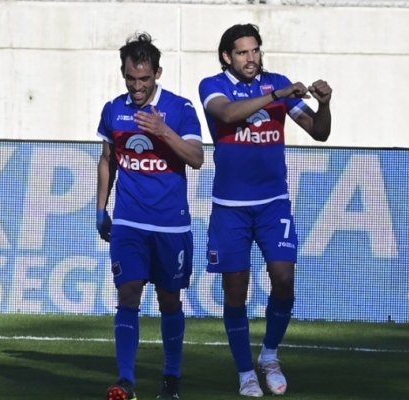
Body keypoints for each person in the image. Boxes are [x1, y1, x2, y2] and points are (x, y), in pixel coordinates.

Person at [198, 23, 331, 397]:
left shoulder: (277, 83)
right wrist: (276, 94)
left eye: (255, 50)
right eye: (242, 52)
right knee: (236, 288)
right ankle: (245, 372)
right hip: (230, 207)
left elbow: (318, 132)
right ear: (227, 56)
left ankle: (269, 355)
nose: (251, 58)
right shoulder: (213, 85)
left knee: (284, 279)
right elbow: (226, 114)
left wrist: (324, 104)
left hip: (274, 203)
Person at [96, 32, 204, 400]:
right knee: (128, 294)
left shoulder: (180, 108)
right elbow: (108, 158)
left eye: (144, 79)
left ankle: (171, 377)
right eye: (131, 78)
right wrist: (100, 209)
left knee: (169, 300)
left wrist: (163, 131)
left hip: (171, 223)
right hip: (128, 221)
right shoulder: (114, 110)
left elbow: (196, 158)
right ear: (123, 73)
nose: (138, 86)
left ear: (158, 73)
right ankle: (125, 379)